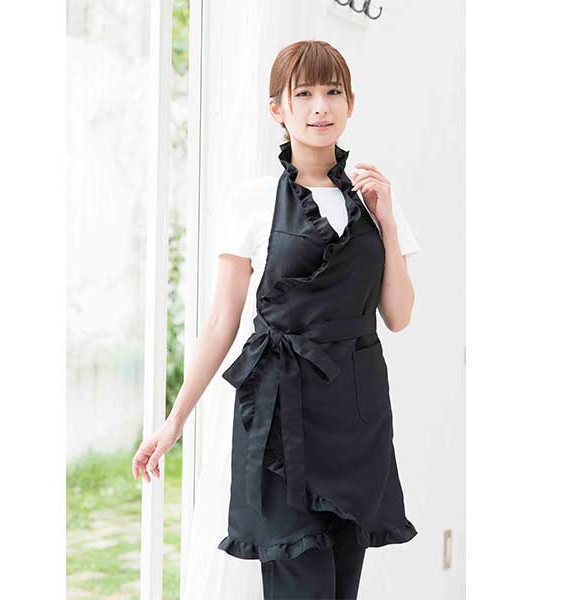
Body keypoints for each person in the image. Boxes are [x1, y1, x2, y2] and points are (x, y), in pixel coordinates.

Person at [133, 40, 420, 599]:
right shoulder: (252, 200)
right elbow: (222, 322)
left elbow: (399, 315)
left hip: (357, 415)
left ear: (351, 103)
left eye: (332, 92)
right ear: (278, 110)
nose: (320, 107)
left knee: (342, 587)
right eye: (304, 94)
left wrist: (386, 222)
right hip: (281, 416)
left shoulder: (376, 199)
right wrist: (174, 422)